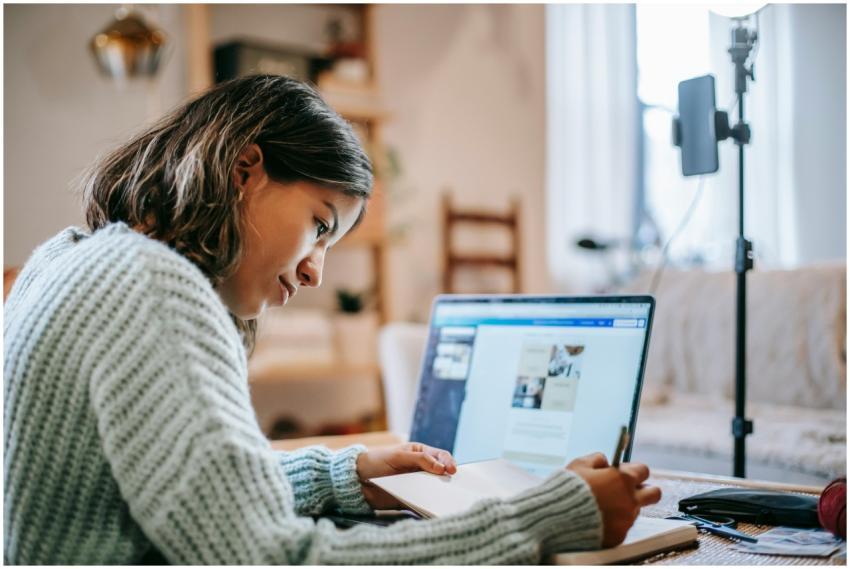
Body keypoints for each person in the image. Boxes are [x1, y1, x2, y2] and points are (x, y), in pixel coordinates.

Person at [3, 74, 661, 564]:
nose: (316, 270)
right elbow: (274, 558)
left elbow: (189, 492)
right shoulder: (154, 289)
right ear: (243, 171)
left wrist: (350, 476)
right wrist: (545, 515)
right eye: (319, 224)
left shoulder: (70, 259)